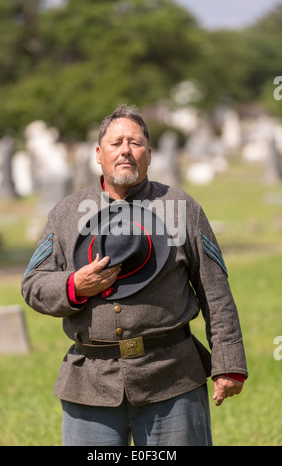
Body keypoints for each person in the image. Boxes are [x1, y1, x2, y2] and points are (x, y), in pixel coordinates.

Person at [21, 104, 248, 446]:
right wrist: (73, 286)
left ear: (150, 154)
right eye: (116, 143)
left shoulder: (184, 209)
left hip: (171, 378)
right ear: (98, 154)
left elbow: (214, 291)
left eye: (135, 142)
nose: (125, 150)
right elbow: (33, 284)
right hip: (90, 384)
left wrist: (228, 363)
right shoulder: (65, 213)